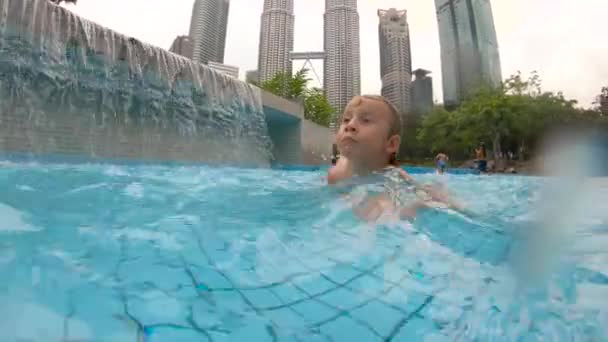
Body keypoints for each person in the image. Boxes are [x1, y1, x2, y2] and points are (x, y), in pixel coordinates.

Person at [327, 95, 463, 222]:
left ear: (391, 144)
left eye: (366, 120)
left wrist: (433, 200)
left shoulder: (393, 174)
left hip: (389, 200)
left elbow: (419, 190)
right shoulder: (335, 174)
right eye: (346, 119)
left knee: (395, 207)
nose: (350, 125)